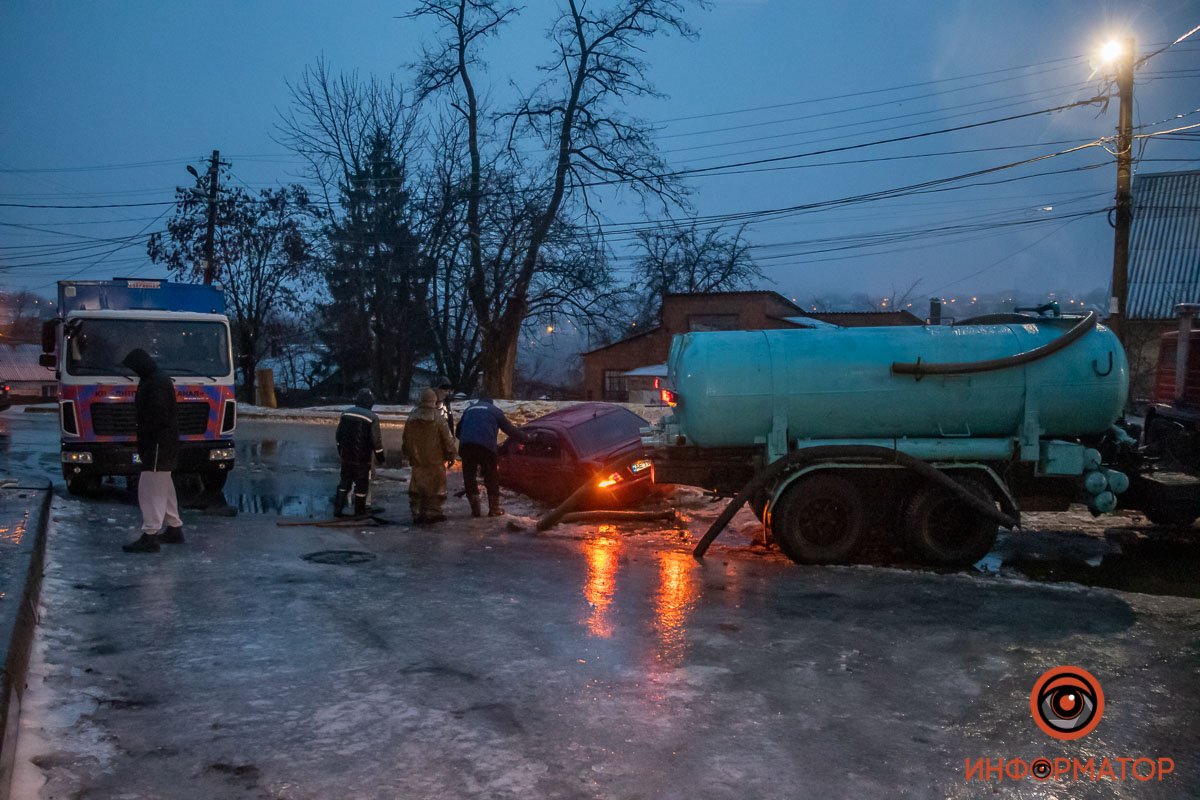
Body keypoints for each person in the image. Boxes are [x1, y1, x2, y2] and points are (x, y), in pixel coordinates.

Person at [120, 348, 183, 553]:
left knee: (150, 488)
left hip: (157, 443)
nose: (133, 372)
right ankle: (174, 528)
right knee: (163, 485)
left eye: (134, 368)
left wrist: (147, 435)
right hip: (162, 442)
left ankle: (150, 535)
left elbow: (157, 415)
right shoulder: (158, 379)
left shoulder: (154, 382)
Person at [456, 395, 525, 517]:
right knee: (491, 475)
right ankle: (494, 509)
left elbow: (458, 431)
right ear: (491, 403)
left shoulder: (469, 409)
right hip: (486, 447)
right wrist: (526, 437)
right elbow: (509, 430)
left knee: (469, 476)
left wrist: (468, 439)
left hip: (466, 446)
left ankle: (475, 510)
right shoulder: (495, 411)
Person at [402, 387, 457, 524]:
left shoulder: (412, 417)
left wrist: (409, 454)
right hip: (436, 459)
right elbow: (447, 439)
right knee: (436, 488)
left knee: (417, 487)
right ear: (433, 401)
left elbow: (406, 439)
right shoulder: (438, 418)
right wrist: (451, 455)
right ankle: (433, 512)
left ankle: (417, 512)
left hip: (418, 460)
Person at [335, 388, 385, 517]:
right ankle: (359, 511)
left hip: (346, 457)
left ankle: (338, 509)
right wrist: (380, 457)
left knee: (344, 482)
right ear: (370, 403)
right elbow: (376, 441)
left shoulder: (346, 414)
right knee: (361, 486)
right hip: (362, 459)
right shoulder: (372, 417)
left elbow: (339, 435)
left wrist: (340, 450)